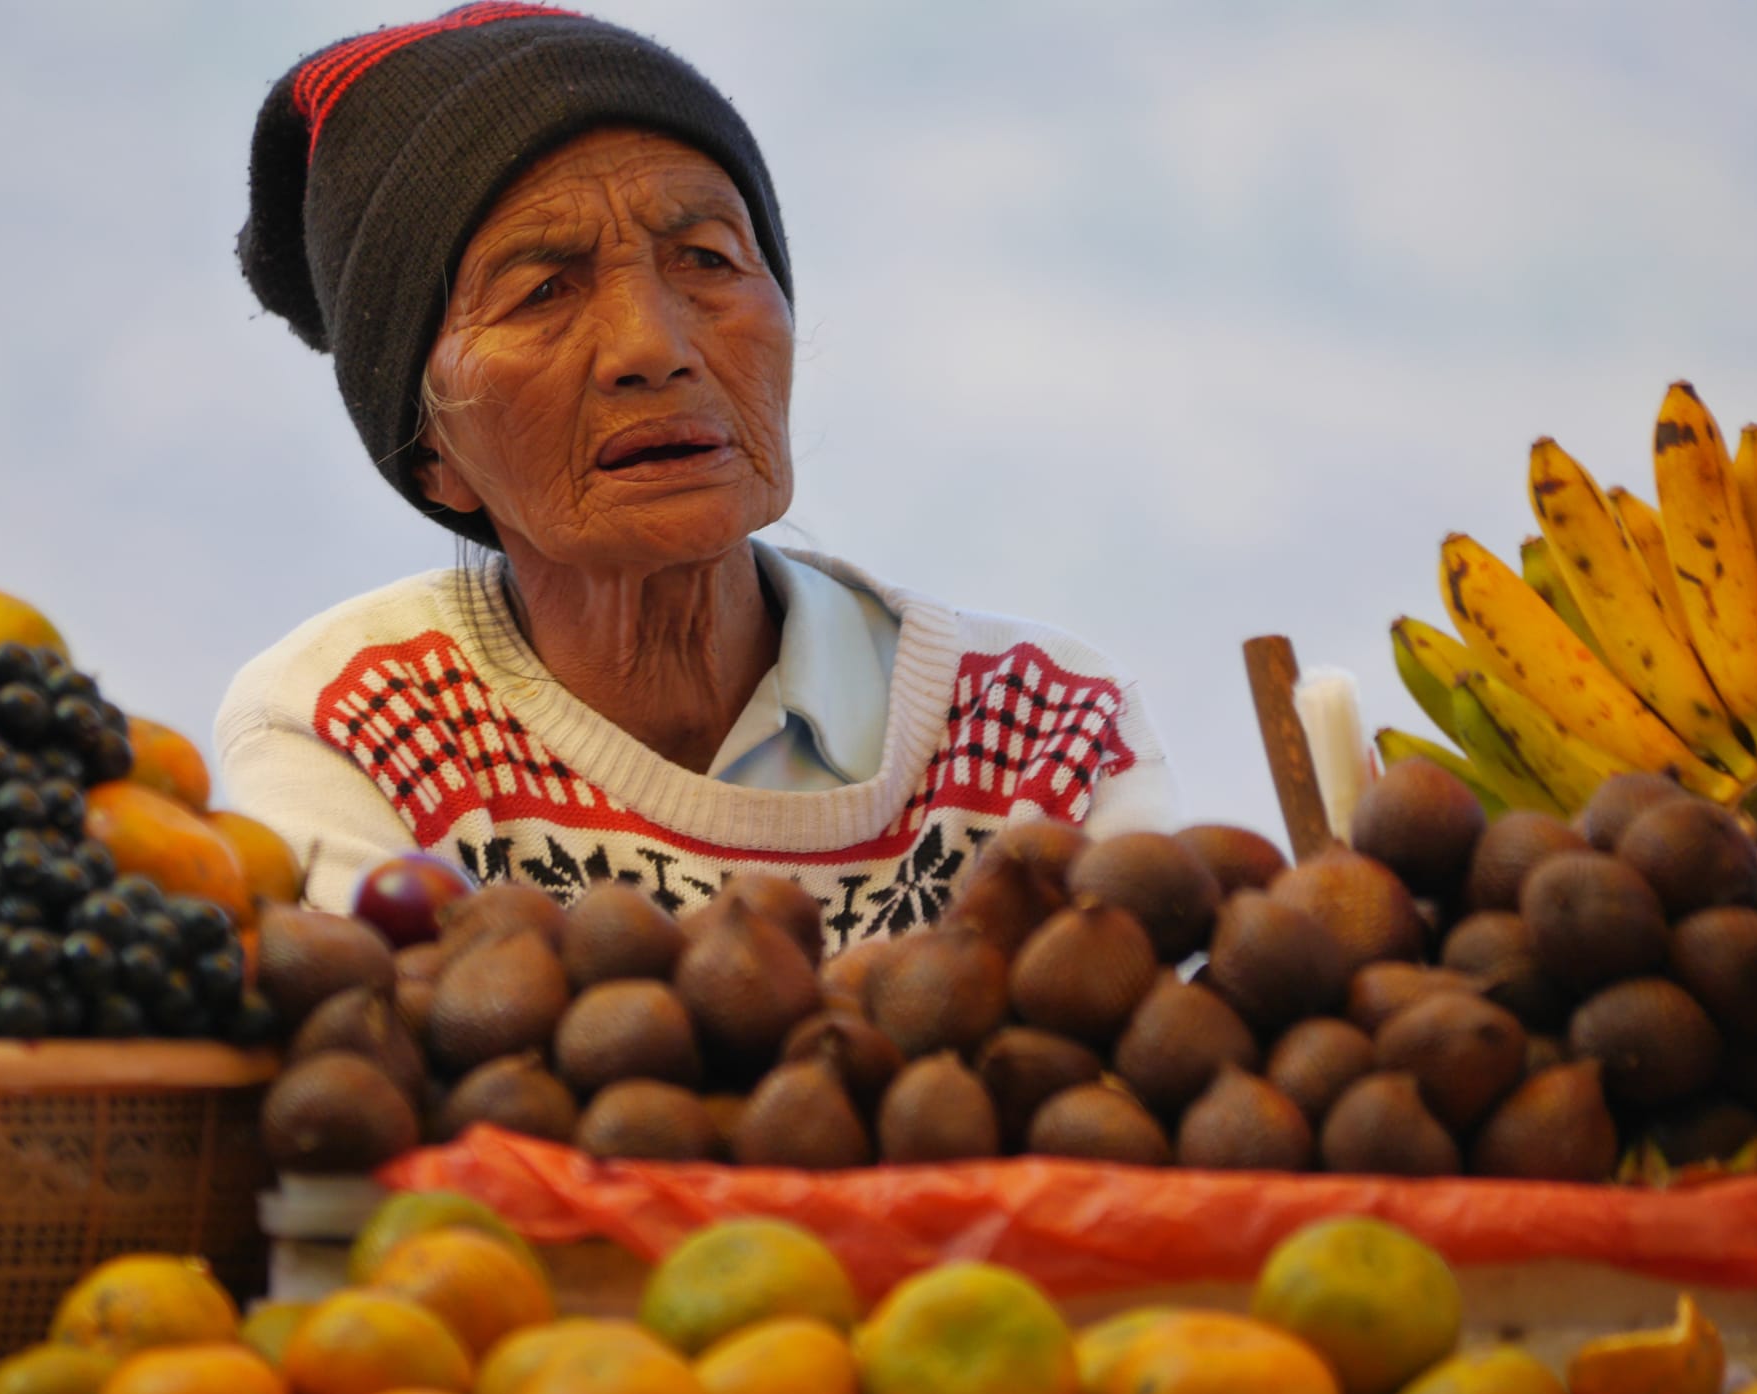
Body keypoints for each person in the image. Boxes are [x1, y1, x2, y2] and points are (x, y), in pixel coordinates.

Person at [218, 1, 1176, 950]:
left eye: (708, 259)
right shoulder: (356, 725)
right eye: (542, 290)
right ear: (433, 455)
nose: (653, 347)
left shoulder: (1046, 728)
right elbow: (381, 1078)